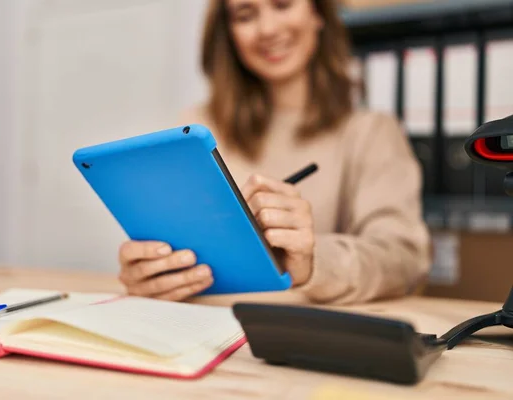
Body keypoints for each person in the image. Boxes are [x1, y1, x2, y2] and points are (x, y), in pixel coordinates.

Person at [117, 0, 431, 304]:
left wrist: (311, 262)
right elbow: (177, 244)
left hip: (307, 336)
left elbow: (404, 261)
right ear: (228, 32)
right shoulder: (196, 128)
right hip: (209, 328)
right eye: (244, 14)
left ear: (318, 12)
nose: (267, 29)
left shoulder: (371, 132)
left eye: (282, 5)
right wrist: (153, 270)